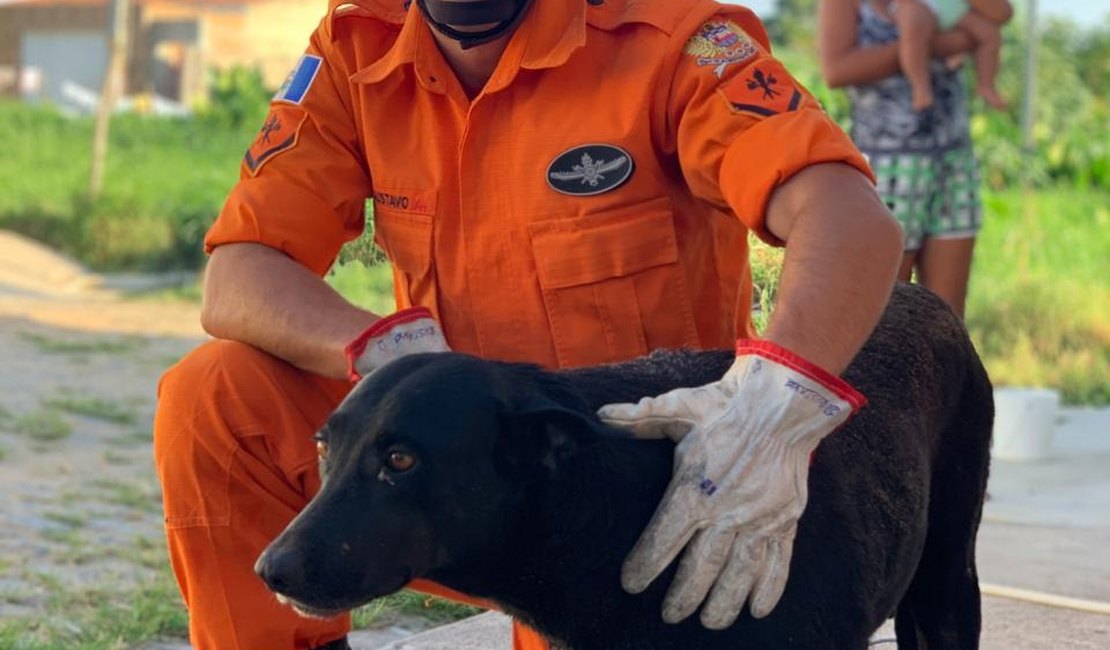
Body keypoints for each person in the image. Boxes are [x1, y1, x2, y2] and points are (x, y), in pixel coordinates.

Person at [153, 1, 904, 649]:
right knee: (216, 397)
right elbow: (242, 269)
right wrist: (383, 348)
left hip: (640, 504)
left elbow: (847, 219)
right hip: (445, 478)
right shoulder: (359, 48)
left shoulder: (673, 39)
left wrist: (773, 411)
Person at [819, 0, 1012, 318]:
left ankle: (942, 368)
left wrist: (925, 41)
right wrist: (923, 44)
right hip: (888, 167)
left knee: (946, 317)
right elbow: (837, 70)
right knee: (884, 314)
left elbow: (1001, 14)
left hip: (952, 160)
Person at [891, 0, 1008, 112]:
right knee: (914, 38)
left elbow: (1002, 12)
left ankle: (985, 84)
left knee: (990, 34)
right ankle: (919, 86)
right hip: (917, 6)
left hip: (949, 4)